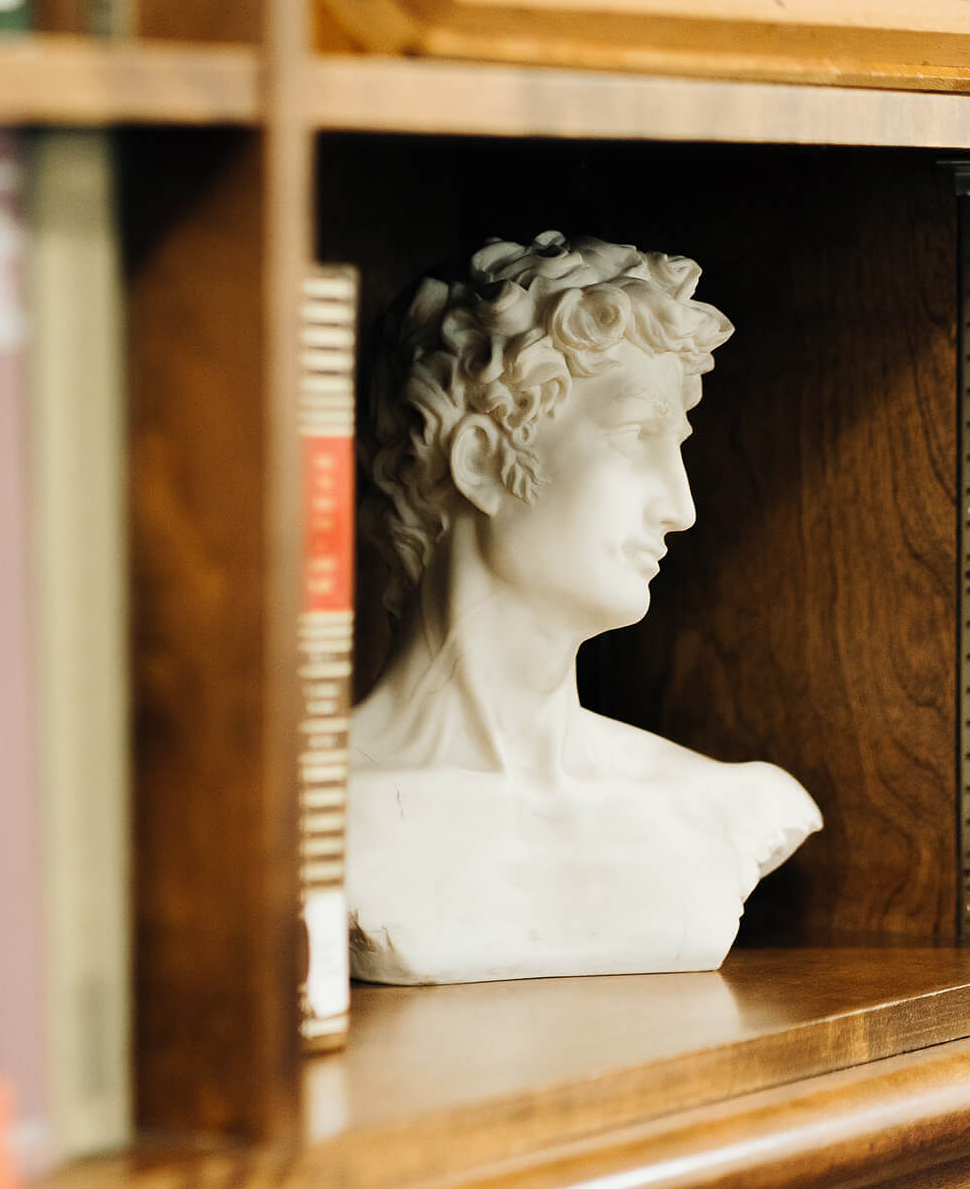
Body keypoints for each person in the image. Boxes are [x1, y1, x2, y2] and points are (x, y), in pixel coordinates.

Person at [348, 232, 820, 984]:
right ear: (480, 463)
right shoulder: (322, 827)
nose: (682, 507)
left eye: (679, 448)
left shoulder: (725, 808)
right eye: (637, 439)